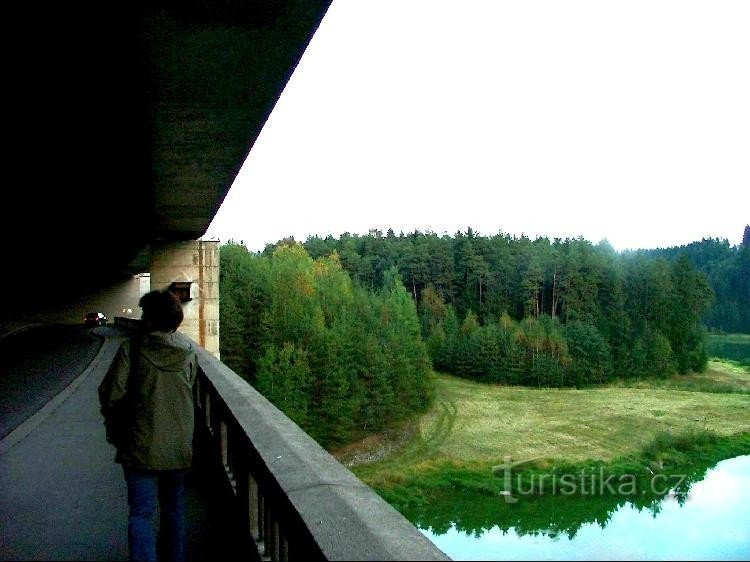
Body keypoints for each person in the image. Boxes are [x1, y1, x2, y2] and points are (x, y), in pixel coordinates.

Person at [98, 289, 198, 562]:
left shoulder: (131, 350)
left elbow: (111, 394)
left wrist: (117, 427)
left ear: (151, 320)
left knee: (141, 514)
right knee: (174, 510)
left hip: (140, 446)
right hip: (178, 447)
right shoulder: (189, 352)